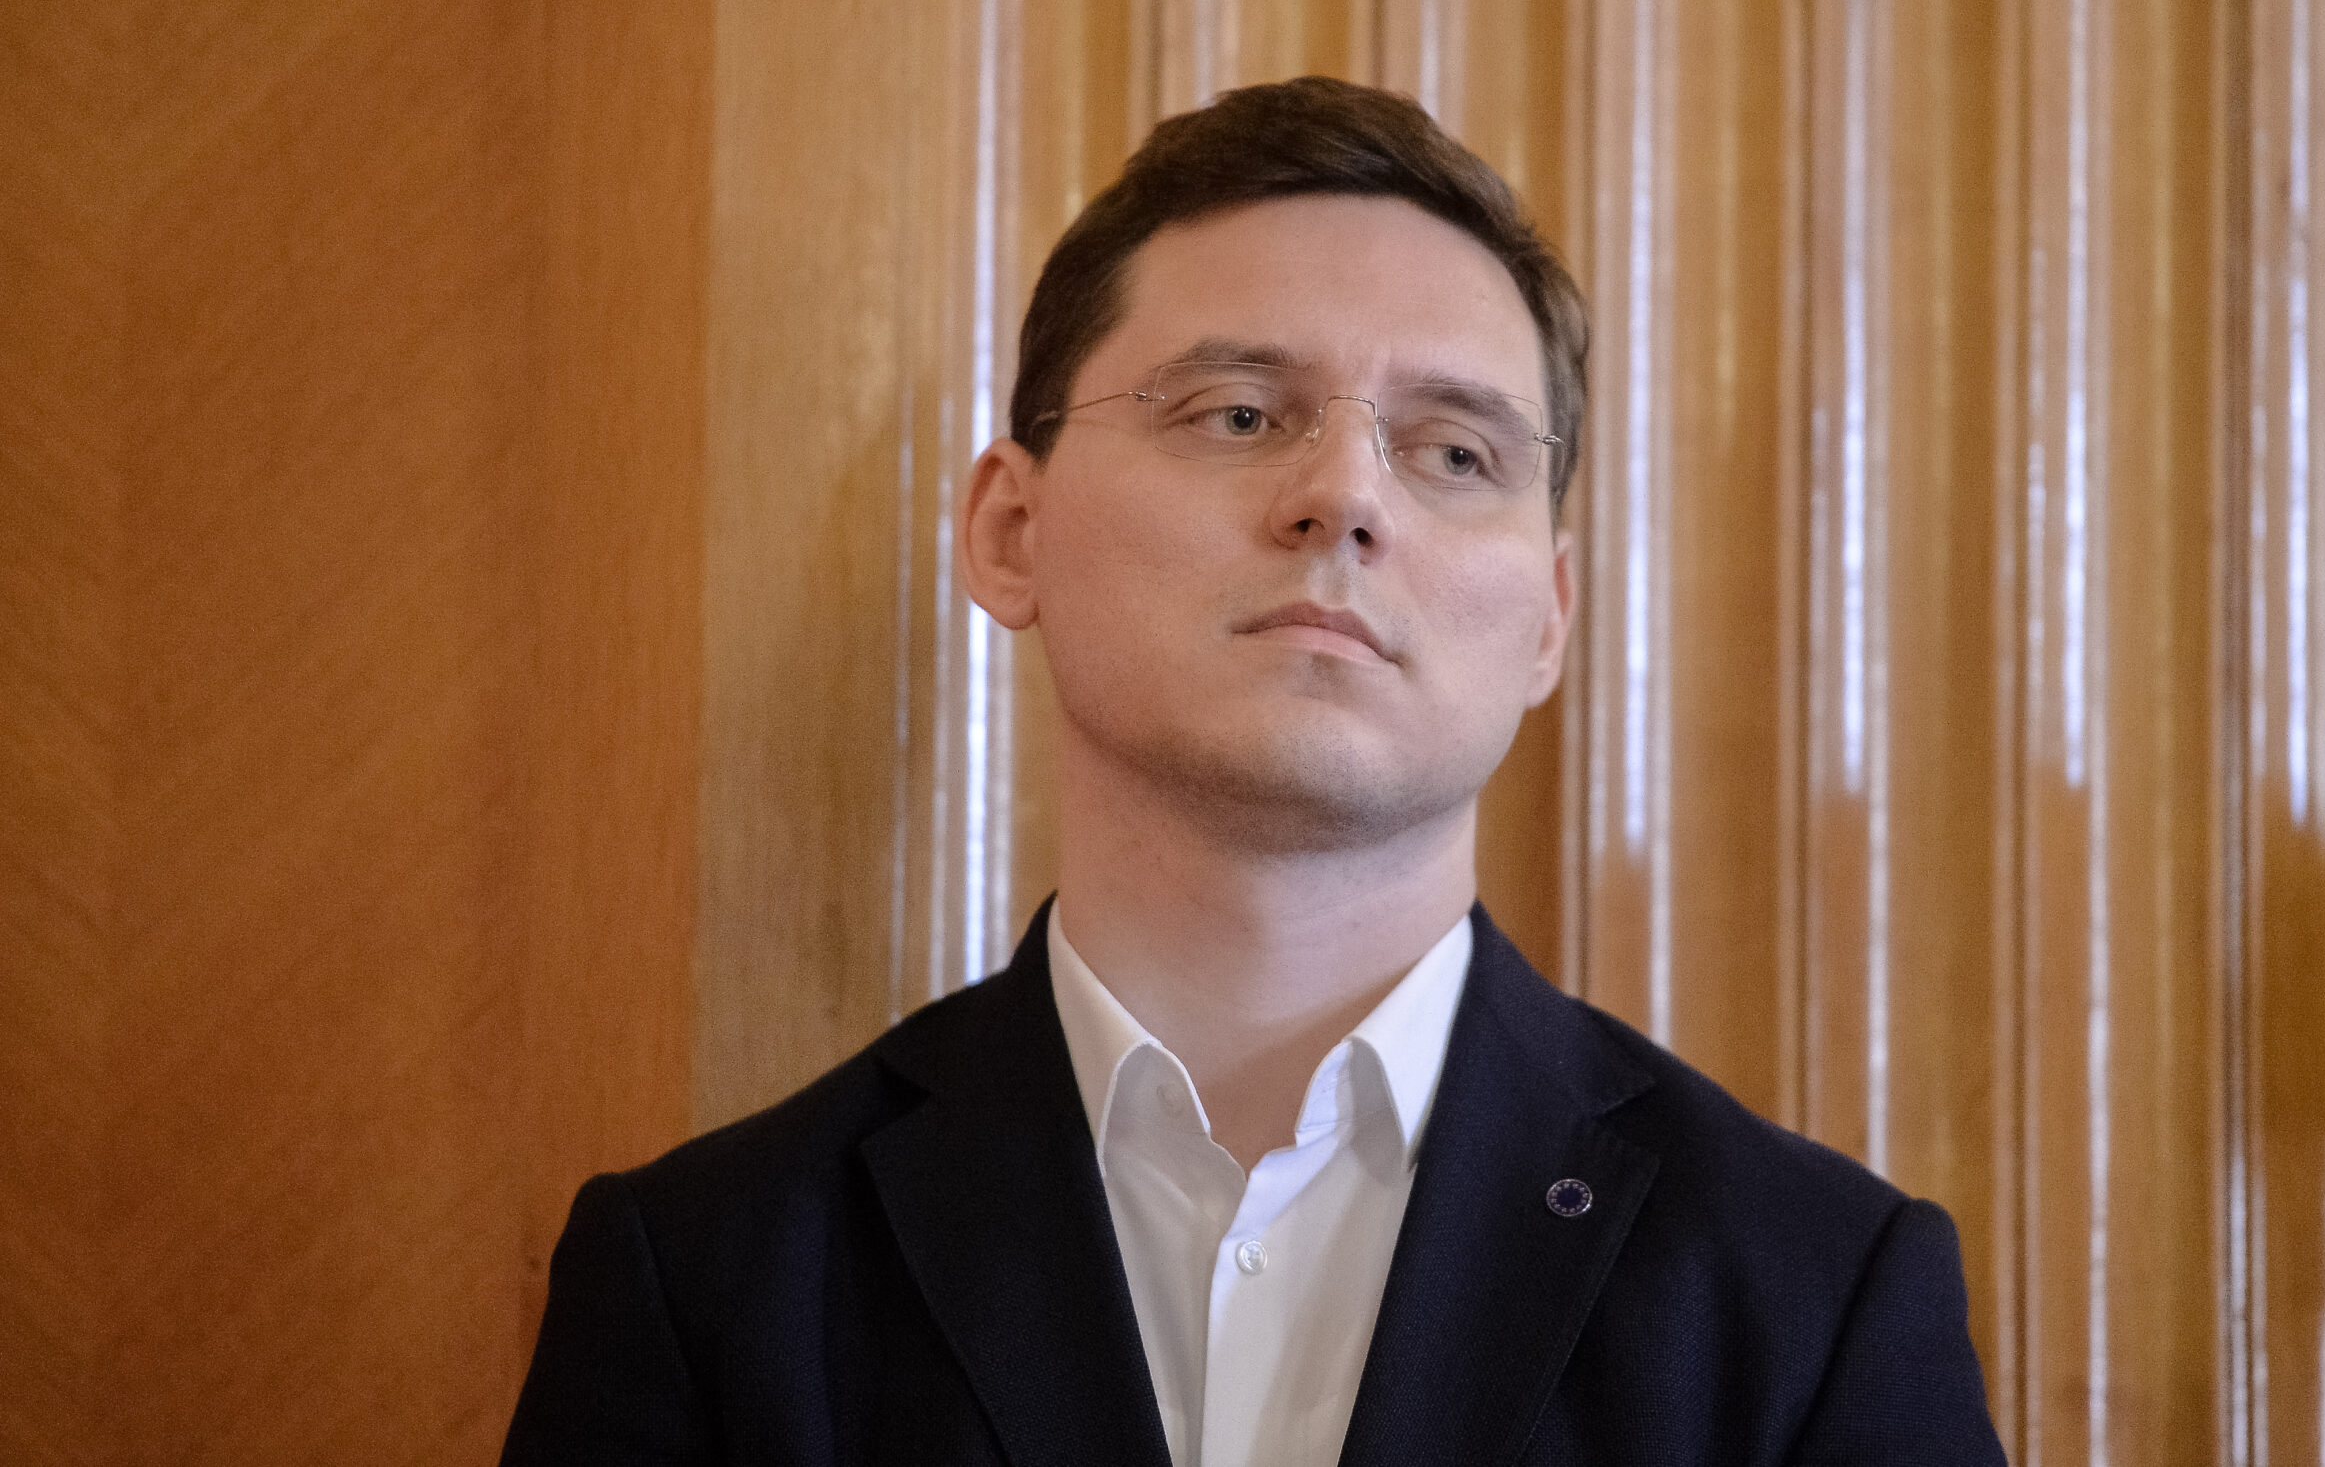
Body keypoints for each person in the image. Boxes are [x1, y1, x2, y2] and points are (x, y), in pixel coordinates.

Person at [502, 77, 2005, 1466]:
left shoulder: (1819, 1301)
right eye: (1237, 413)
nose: (1343, 495)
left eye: (1455, 452)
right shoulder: (704, 1283)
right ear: (1012, 533)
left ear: (1549, 617)